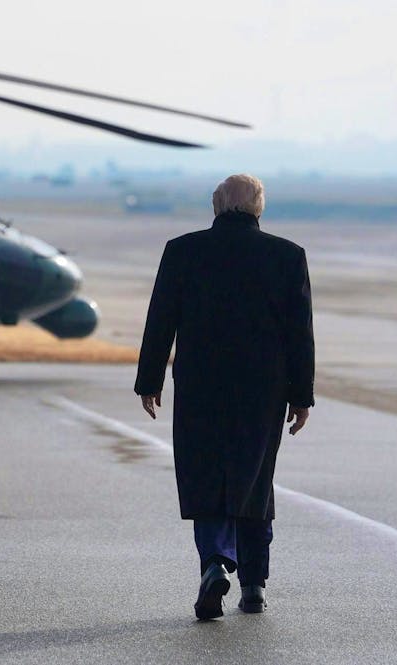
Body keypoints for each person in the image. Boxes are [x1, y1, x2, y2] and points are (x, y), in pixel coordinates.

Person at [134, 174, 315, 620]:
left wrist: (149, 380)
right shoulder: (287, 256)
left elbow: (161, 319)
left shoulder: (182, 250)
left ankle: (215, 561)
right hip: (263, 388)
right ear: (259, 208)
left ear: (216, 206)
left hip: (200, 384)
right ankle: (253, 584)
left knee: (206, 475)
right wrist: (301, 395)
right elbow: (300, 334)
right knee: (255, 478)